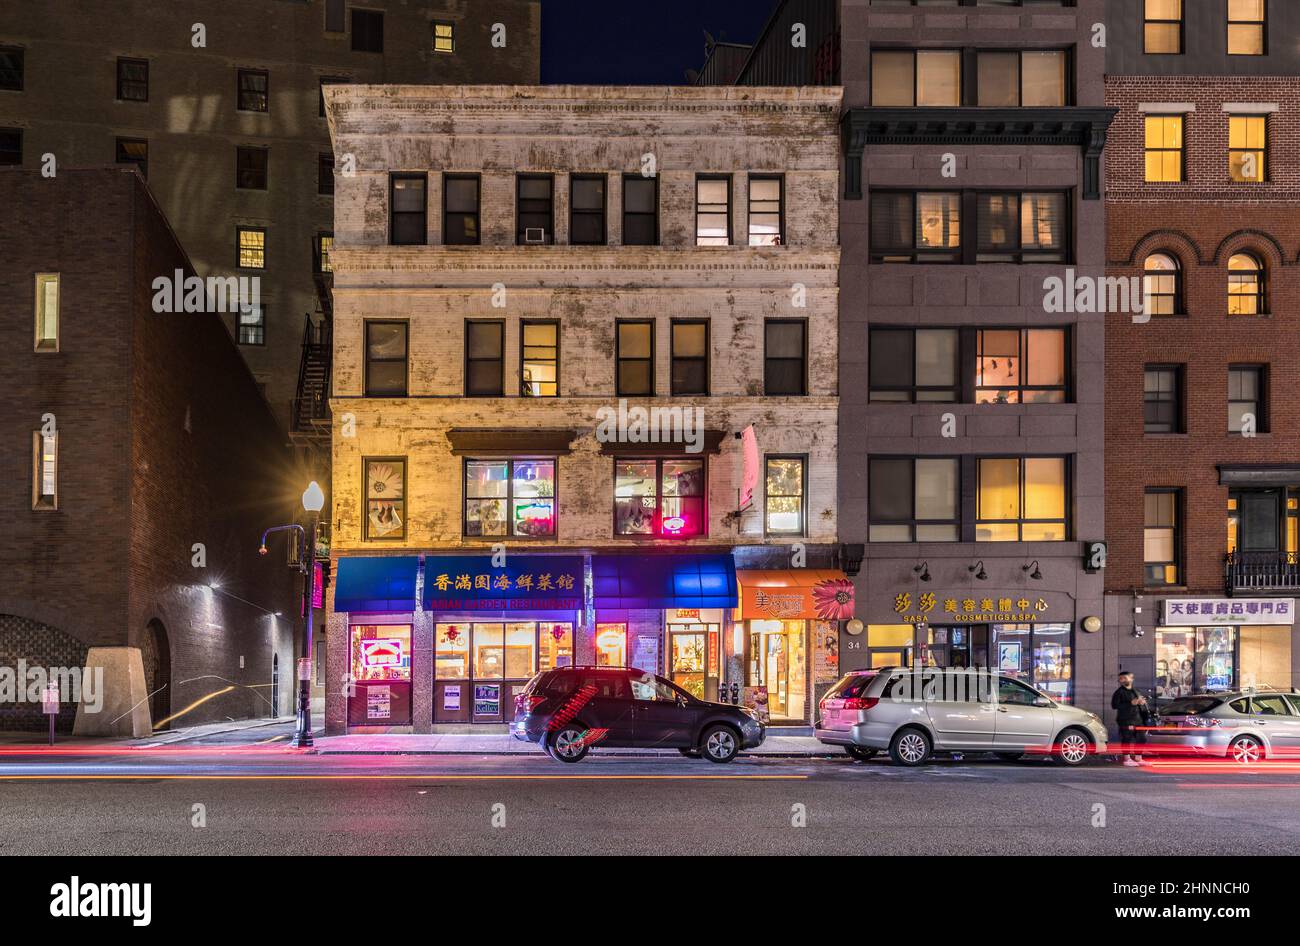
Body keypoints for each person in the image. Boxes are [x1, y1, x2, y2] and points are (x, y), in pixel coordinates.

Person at [1111, 670, 1148, 766]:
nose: (1122, 680)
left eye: (1124, 678)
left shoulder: (1136, 691)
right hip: (1126, 720)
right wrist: (1130, 703)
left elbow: (1139, 702)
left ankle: (1138, 758)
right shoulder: (1119, 692)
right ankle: (1127, 759)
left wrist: (1142, 702)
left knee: (1142, 738)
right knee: (1127, 738)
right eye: (1120, 679)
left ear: (1131, 679)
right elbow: (1114, 705)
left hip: (1138, 719)